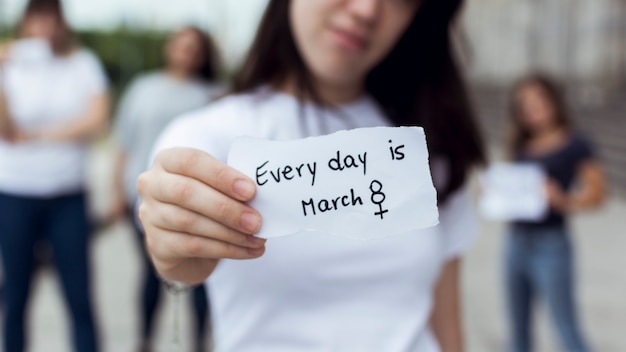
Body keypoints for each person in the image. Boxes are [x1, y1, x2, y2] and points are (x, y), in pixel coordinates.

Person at [137, 0, 486, 351]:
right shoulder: (206, 138)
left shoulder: (430, 143)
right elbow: (173, 251)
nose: (367, 10)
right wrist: (174, 250)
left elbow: (447, 326)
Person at [0, 0, 109, 351]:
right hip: (16, 192)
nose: (45, 26)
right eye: (38, 18)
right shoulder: (11, 65)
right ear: (26, 22)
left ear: (61, 23)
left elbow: (96, 120)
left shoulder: (82, 63)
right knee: (16, 295)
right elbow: (6, 131)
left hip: (67, 192)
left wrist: (40, 135)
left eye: (51, 18)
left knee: (79, 295)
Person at [110, 26, 223, 352]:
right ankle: (144, 340)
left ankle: (200, 343)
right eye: (181, 44)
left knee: (201, 279)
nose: (185, 52)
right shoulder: (143, 88)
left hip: (197, 203)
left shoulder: (214, 94)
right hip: (143, 199)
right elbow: (123, 144)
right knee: (151, 274)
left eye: (193, 47)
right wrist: (116, 192)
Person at [504, 74, 606, 352]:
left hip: (550, 243)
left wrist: (563, 200)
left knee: (565, 327)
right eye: (524, 105)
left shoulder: (575, 143)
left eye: (537, 102)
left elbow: (597, 194)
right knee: (517, 332)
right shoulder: (521, 144)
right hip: (516, 240)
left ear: (553, 102)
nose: (531, 110)